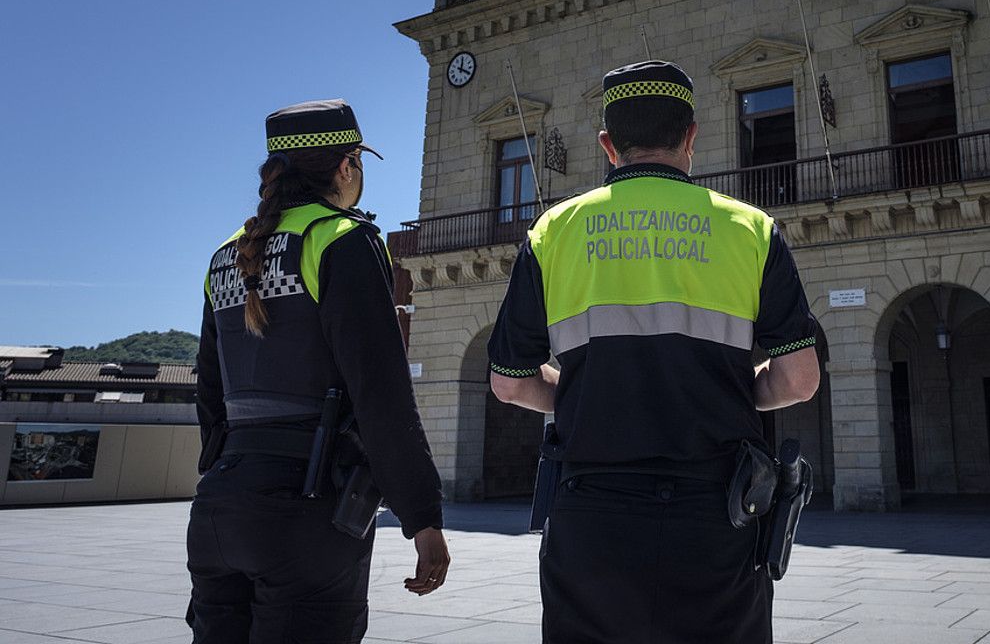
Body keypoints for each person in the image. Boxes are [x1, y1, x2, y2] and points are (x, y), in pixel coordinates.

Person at [488, 60, 822, 644]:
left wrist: (583, 394)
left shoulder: (552, 233)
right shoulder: (751, 231)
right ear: (691, 136)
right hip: (716, 514)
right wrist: (733, 389)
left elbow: (510, 381)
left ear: (607, 145)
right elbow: (798, 379)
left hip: (591, 515)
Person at [187, 99, 450, 644]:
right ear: (346, 166)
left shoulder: (225, 255)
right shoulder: (342, 239)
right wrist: (422, 516)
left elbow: (209, 393)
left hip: (220, 508)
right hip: (307, 511)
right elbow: (380, 393)